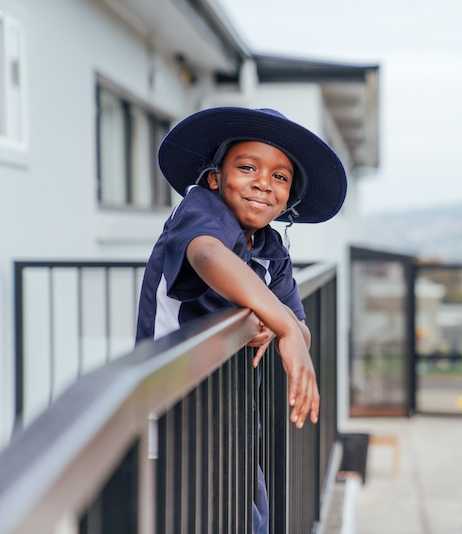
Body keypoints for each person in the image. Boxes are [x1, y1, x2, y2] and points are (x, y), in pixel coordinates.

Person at [135, 107, 347, 534]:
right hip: (173, 417)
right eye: (247, 167)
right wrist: (280, 323)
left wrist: (280, 322)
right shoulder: (201, 212)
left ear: (290, 196)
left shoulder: (270, 249)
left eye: (280, 177)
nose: (263, 184)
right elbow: (209, 257)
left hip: (228, 415)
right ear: (215, 178)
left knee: (254, 517)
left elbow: (299, 323)